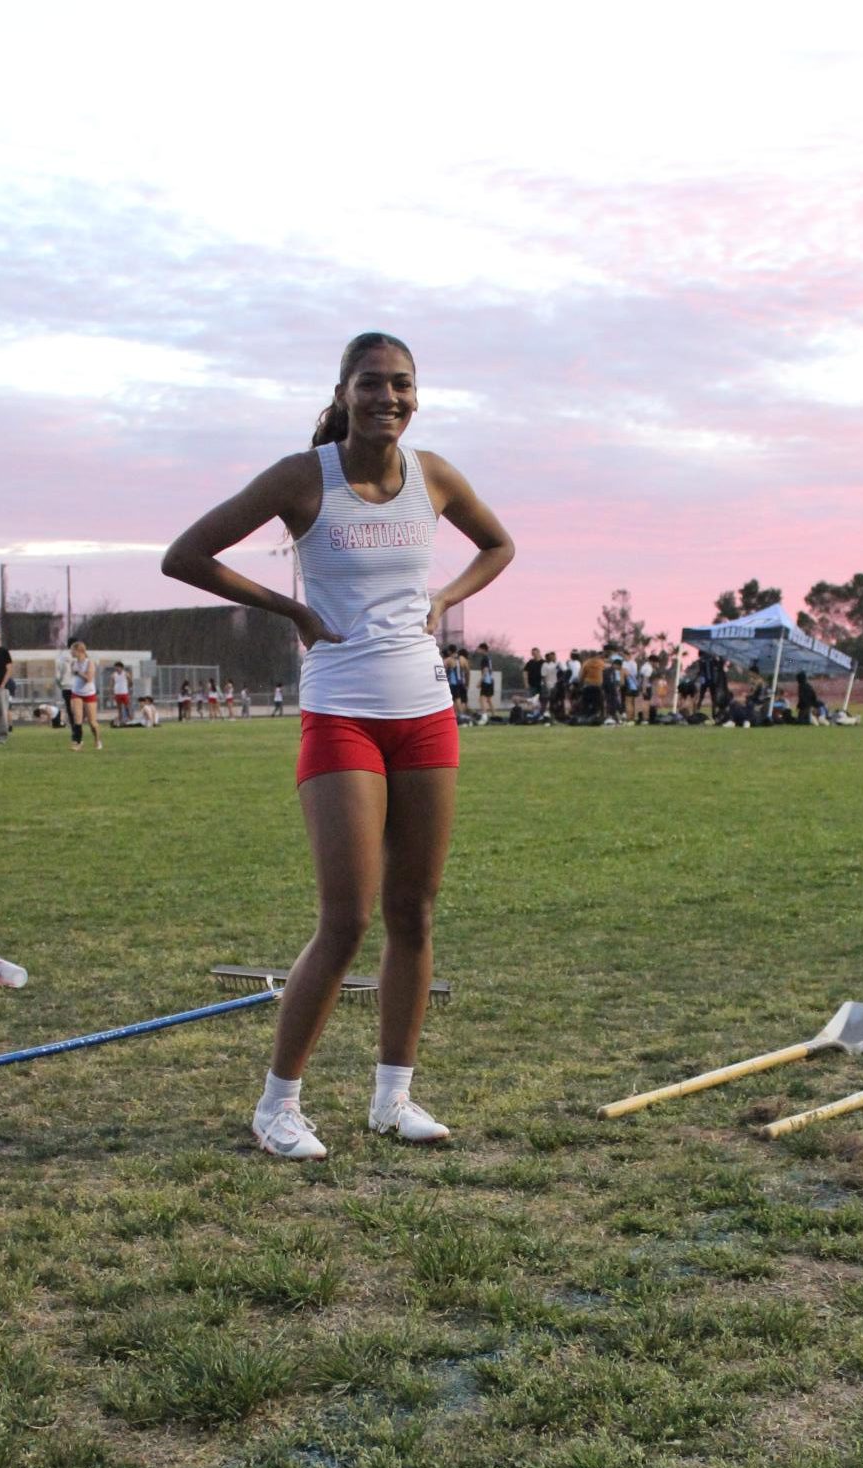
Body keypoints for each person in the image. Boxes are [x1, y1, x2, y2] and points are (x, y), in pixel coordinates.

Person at [162, 328, 514, 1160]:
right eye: (371, 384)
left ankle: (393, 1098)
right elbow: (185, 556)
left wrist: (444, 601)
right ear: (344, 391)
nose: (388, 398)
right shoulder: (302, 476)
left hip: (425, 711)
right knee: (348, 916)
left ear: (416, 394)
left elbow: (499, 544)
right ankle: (277, 1106)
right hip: (342, 713)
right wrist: (291, 612)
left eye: (401, 384)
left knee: (415, 912)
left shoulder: (434, 477)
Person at [66, 640, 102, 750]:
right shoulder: (74, 663)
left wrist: (78, 672)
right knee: (77, 718)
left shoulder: (89, 663)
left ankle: (97, 739)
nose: (71, 652)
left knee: (92, 722)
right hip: (76, 693)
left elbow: (89, 679)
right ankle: (78, 742)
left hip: (89, 694)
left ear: (79, 651)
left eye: (72, 650)